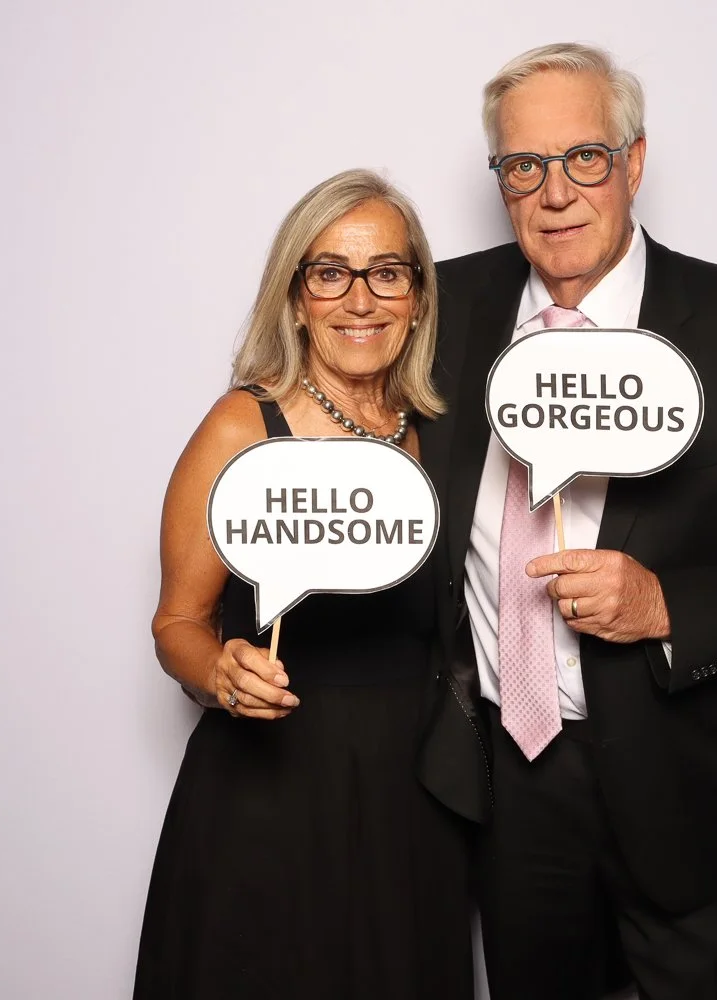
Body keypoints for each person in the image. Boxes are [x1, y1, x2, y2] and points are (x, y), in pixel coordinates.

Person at [417, 43, 717, 999]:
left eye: (583, 158)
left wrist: (668, 604)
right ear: (499, 179)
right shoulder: (441, 310)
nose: (555, 193)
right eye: (522, 167)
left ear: (633, 161)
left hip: (692, 793)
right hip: (513, 785)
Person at [135, 169, 472, 1000]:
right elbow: (177, 620)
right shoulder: (242, 426)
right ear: (295, 297)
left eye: (387, 272)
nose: (360, 299)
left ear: (420, 297)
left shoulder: (448, 432)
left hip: (414, 800)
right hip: (267, 795)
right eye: (330, 272)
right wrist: (217, 671)